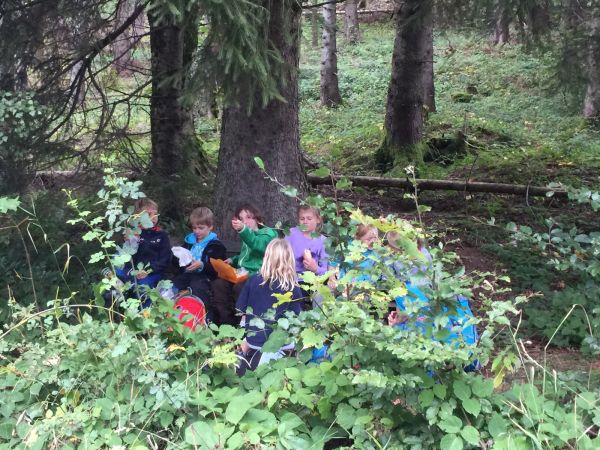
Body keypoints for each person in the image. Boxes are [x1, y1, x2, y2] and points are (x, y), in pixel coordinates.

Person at [236, 239, 303, 375]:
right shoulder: (293, 287)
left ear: (266, 257)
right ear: (289, 260)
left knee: (246, 339)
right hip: (281, 343)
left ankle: (240, 358)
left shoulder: (253, 280)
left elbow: (240, 310)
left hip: (254, 339)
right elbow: (297, 318)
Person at [211, 203, 277, 326]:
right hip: (241, 274)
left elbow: (258, 246)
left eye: (248, 217)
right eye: (241, 219)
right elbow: (246, 256)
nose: (245, 222)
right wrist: (233, 260)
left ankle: (244, 325)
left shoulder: (268, 233)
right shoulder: (248, 235)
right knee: (219, 285)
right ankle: (227, 324)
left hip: (259, 276)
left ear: (257, 218)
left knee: (240, 288)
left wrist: (243, 230)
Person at [114, 198, 171, 308]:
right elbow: (127, 258)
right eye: (149, 214)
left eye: (155, 214)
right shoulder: (134, 234)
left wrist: (148, 270)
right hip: (133, 271)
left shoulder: (161, 235)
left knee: (143, 288)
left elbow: (165, 259)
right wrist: (129, 242)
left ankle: (146, 312)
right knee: (116, 268)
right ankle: (120, 301)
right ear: (137, 217)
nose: (153, 217)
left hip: (152, 273)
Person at [172, 207, 226, 318]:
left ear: (210, 227)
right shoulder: (189, 242)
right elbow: (176, 264)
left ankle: (203, 319)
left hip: (205, 278)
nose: (197, 231)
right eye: (194, 228)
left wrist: (202, 265)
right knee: (172, 287)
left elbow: (219, 268)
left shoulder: (216, 246)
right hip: (186, 275)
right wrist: (178, 258)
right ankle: (172, 318)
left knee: (197, 288)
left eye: (201, 228)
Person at [285, 205, 329, 307]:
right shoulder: (291, 234)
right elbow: (281, 255)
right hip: (290, 278)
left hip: (311, 281)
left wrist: (315, 268)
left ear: (318, 220)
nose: (305, 221)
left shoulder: (323, 241)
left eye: (309, 218)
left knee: (319, 294)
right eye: (302, 219)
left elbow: (326, 272)